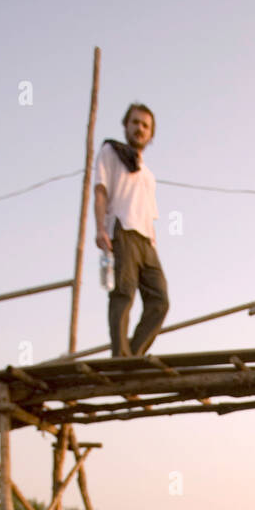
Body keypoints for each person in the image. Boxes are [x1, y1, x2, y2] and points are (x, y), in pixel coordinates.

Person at [94, 104, 169, 358]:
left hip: (146, 241)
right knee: (123, 294)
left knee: (160, 300)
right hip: (122, 230)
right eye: (135, 123)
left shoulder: (148, 175)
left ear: (151, 135)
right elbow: (101, 191)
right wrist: (100, 230)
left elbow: (150, 213)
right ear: (126, 126)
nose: (140, 129)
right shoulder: (110, 152)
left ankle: (133, 356)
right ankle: (120, 357)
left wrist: (153, 245)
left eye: (145, 126)